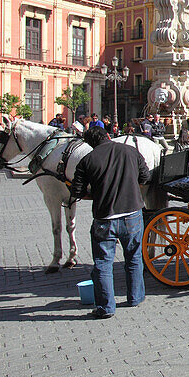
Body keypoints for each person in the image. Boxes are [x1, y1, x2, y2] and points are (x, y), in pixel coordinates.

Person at [70, 124, 150, 318]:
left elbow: (77, 192)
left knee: (103, 262)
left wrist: (95, 193)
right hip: (132, 213)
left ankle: (106, 307)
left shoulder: (87, 160)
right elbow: (145, 177)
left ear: (89, 144)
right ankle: (135, 297)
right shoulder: (130, 151)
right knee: (134, 256)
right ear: (107, 135)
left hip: (105, 217)